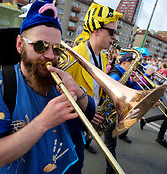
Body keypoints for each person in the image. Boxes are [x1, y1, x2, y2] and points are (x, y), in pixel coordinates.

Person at [0, 1, 96, 173]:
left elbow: (87, 117)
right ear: (20, 45)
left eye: (57, 49)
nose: (51, 56)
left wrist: (78, 90)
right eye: (40, 46)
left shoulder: (59, 79)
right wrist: (44, 122)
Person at [66, 3, 122, 155]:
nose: (114, 37)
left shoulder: (103, 58)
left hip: (89, 119)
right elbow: (60, 92)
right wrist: (86, 113)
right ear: (96, 30)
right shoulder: (74, 54)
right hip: (71, 124)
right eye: (111, 32)